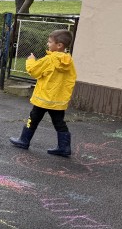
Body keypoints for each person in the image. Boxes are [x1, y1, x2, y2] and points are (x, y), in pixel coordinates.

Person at [9, 29, 77, 157]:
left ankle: (24, 140)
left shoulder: (50, 59)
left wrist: (31, 60)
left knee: (33, 119)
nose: (47, 44)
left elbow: (34, 71)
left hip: (43, 98)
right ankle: (64, 147)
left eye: (50, 42)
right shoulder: (69, 61)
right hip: (58, 100)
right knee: (59, 122)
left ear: (59, 45)